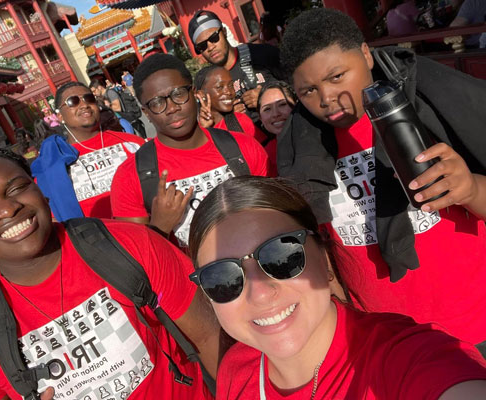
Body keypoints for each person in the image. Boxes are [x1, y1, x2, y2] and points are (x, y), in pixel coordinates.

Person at [0, 147, 220, 399]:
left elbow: (208, 338)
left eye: (16, 189)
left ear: (40, 192)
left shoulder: (130, 244)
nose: (7, 210)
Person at [277, 8, 486, 350]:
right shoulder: (299, 154)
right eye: (308, 91)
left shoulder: (427, 108)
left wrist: (472, 188)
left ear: (364, 54)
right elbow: (317, 251)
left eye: (337, 76)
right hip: (390, 345)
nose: (328, 99)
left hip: (476, 326)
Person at [187, 175, 486, 400]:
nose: (261, 292)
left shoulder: (405, 359)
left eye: (282, 256)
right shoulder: (235, 371)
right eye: (221, 277)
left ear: (326, 259)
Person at [110, 54, 269, 249]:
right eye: (157, 103)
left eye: (178, 94)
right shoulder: (130, 177)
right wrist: (160, 227)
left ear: (195, 93)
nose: (171, 108)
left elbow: (274, 217)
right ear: (146, 112)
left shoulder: (243, 146)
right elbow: (139, 258)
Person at [31, 82, 145, 221]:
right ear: (60, 117)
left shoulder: (132, 143)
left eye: (89, 99)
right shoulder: (53, 164)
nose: (84, 105)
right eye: (73, 101)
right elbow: (51, 217)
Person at [188, 10, 281, 125]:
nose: (210, 47)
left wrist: (267, 97)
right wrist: (229, 119)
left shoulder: (262, 54)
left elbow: (297, 86)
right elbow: (210, 123)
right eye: (202, 46)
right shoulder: (206, 84)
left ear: (224, 32)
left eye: (214, 38)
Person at [256, 81, 296, 175]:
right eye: (267, 109)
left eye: (282, 104)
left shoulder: (319, 136)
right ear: (260, 118)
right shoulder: (265, 156)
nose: (275, 114)